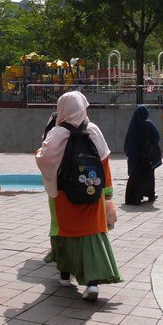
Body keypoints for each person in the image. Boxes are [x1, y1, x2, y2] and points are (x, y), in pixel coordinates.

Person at [35, 91, 122, 301]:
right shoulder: (93, 130)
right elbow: (104, 164)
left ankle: (65, 275)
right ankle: (92, 284)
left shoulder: (56, 133)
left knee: (64, 232)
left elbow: (43, 160)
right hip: (92, 194)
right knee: (91, 234)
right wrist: (107, 193)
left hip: (64, 196)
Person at [123, 104, 161, 205]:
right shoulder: (148, 124)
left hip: (135, 159)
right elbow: (157, 137)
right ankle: (150, 195)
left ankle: (135, 197)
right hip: (146, 157)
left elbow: (127, 144)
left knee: (135, 176)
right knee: (148, 176)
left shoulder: (133, 125)